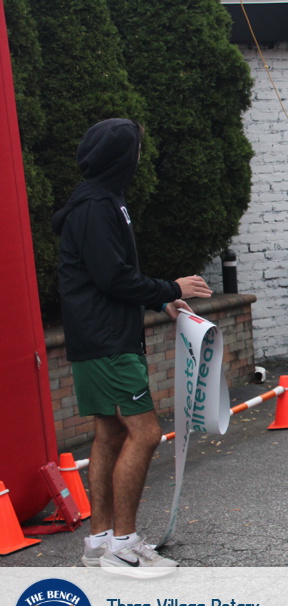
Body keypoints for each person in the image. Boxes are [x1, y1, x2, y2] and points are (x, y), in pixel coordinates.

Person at [51, 119, 212, 577]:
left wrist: (161, 300)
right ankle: (124, 546)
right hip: (108, 342)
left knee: (109, 433)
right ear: (124, 158)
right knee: (144, 432)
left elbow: (109, 273)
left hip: (98, 337)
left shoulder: (101, 200)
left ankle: (100, 541)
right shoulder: (96, 206)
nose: (140, 157)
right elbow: (112, 277)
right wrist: (171, 286)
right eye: (137, 150)